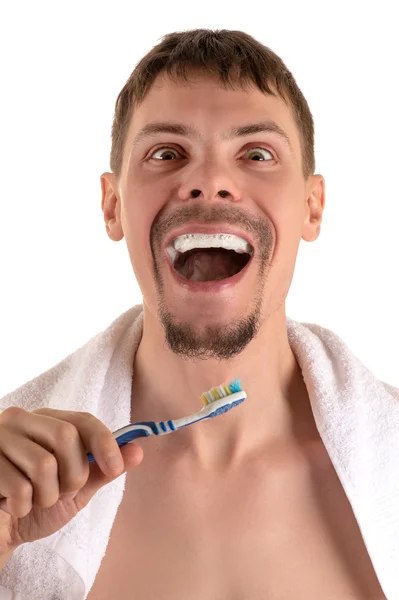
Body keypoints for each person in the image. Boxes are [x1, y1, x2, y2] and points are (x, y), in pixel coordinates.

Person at [0, 29, 392, 599]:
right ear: (112, 207)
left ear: (313, 206)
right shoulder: (12, 481)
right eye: (166, 153)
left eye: (257, 154)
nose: (209, 180)